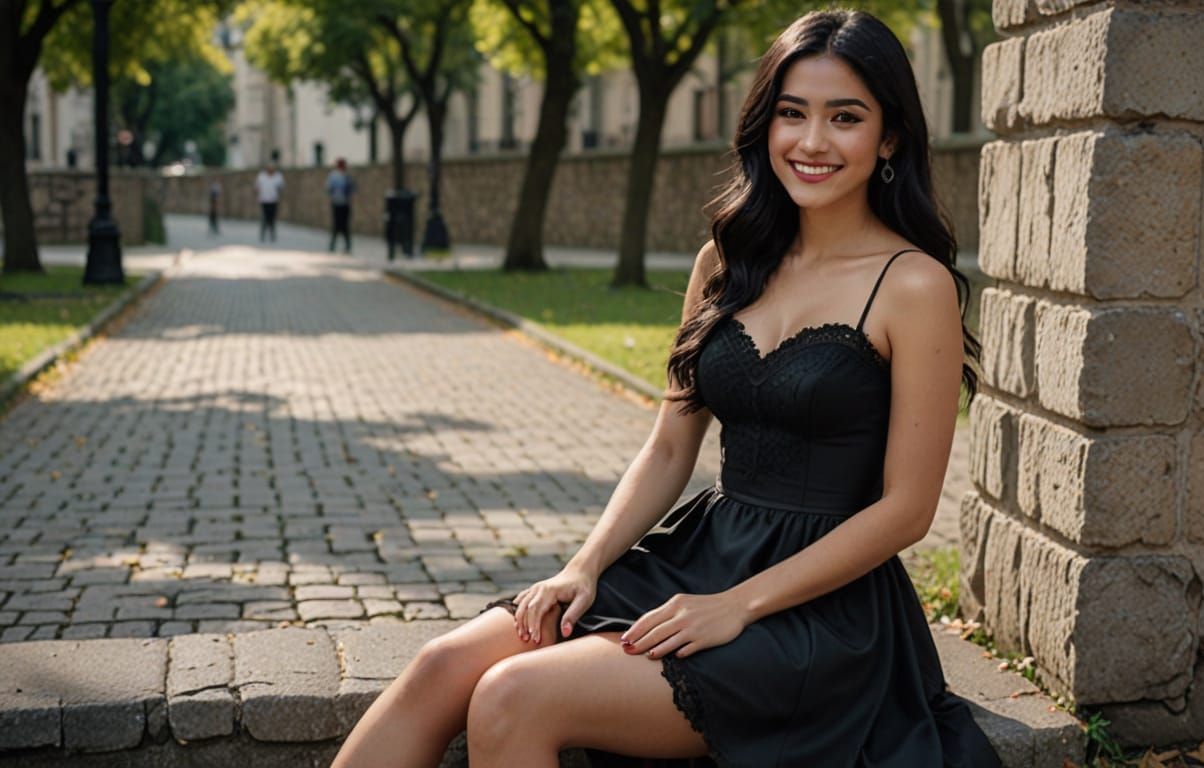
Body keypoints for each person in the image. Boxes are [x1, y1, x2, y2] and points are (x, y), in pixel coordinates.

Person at [333, 9, 1000, 767]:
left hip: (819, 609)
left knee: (512, 696)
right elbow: (668, 446)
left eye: (844, 118)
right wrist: (582, 566)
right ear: (765, 124)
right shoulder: (725, 261)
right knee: (440, 668)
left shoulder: (914, 286)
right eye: (792, 114)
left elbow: (907, 511)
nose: (812, 142)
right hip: (700, 553)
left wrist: (735, 608)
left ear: (889, 138)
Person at [326, 157, 355, 252]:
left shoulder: (346, 176)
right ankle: (335, 245)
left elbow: (352, 189)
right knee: (338, 225)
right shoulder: (335, 176)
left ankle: (345, 245)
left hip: (343, 203)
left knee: (344, 225)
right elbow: (329, 189)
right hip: (338, 203)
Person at [254, 162, 284, 242]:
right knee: (264, 218)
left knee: (272, 218)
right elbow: (257, 187)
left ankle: (272, 235)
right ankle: (262, 235)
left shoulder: (278, 176)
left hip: (273, 200)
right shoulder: (261, 176)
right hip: (264, 200)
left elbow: (281, 187)